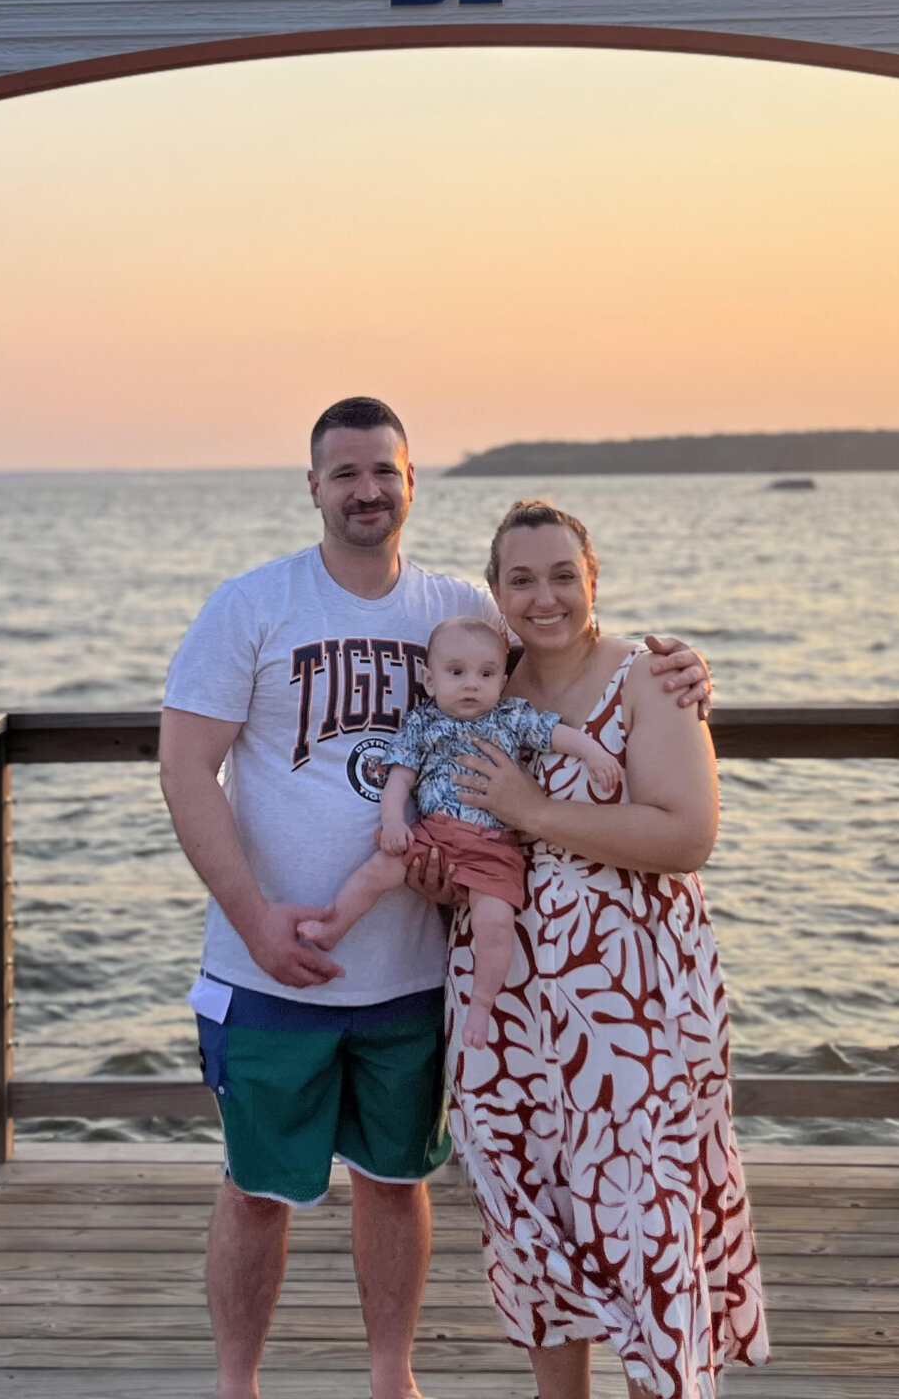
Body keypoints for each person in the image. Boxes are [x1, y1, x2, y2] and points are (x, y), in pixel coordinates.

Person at [159, 398, 711, 1399]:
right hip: (271, 961)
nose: (366, 490)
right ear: (314, 486)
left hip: (413, 968)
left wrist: (678, 667)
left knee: (396, 1180)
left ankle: (390, 1378)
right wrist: (252, 918)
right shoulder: (251, 605)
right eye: (344, 473)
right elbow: (186, 770)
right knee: (254, 1188)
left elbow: (566, 646)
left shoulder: (456, 608)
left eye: (384, 471)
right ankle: (234, 1385)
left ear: (412, 482)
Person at [439, 498, 768, 1399]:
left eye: (560, 576)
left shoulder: (650, 678)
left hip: (630, 1003)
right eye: (520, 579)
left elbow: (688, 835)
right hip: (504, 1001)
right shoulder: (482, 682)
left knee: (640, 1216)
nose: (542, 597)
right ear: (496, 590)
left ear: (593, 581)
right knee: (532, 1212)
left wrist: (534, 812)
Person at [296, 613, 621, 1051]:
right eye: (456, 673)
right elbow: (400, 779)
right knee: (381, 869)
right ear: (429, 680)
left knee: (495, 921)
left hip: (494, 847)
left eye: (486, 674)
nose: (472, 684)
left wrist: (593, 753)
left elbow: (555, 734)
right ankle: (334, 925)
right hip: (435, 834)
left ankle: (482, 1005)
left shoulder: (511, 717)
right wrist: (393, 821)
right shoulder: (423, 723)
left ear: (502, 680)